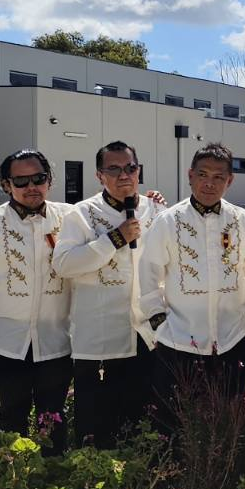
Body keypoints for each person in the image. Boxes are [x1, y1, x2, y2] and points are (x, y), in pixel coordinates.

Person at [139, 143, 245, 430]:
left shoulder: (243, 220)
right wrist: (159, 325)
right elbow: (147, 275)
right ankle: (172, 475)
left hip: (233, 337)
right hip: (179, 340)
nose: (209, 183)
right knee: (172, 424)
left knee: (229, 423)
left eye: (219, 177)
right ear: (190, 175)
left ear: (230, 181)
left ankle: (223, 475)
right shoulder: (168, 221)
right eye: (203, 174)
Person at [50, 141, 162, 447]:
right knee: (96, 427)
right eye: (113, 169)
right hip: (99, 339)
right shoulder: (82, 215)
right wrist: (115, 238)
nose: (123, 175)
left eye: (130, 168)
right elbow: (63, 264)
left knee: (140, 423)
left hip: (146, 335)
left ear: (139, 170)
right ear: (100, 175)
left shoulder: (157, 210)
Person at [0, 149, 74, 451]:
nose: (31, 187)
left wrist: (151, 204)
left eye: (38, 178)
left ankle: (53, 480)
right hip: (8, 342)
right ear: (6, 185)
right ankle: (11, 482)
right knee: (11, 415)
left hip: (58, 340)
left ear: (49, 180)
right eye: (21, 181)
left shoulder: (70, 219)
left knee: (53, 417)